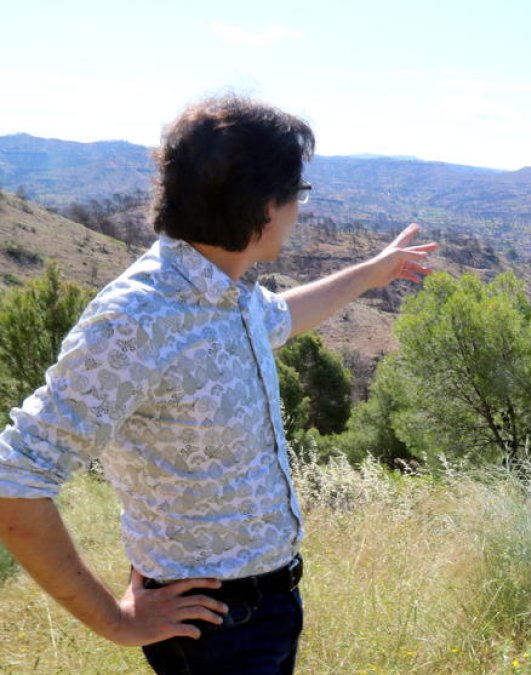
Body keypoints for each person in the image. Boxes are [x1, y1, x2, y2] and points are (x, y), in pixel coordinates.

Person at [0, 94, 437, 674]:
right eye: (297, 195)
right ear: (264, 207)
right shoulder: (138, 319)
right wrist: (114, 619)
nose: (299, 212)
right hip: (211, 632)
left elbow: (280, 317)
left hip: (271, 607)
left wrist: (374, 271)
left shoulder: (227, 293)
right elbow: (16, 475)